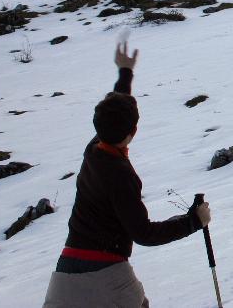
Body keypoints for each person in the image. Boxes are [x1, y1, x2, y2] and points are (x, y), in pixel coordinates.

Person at [43, 43, 212, 308]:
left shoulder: (94, 149)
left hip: (65, 269)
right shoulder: (120, 175)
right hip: (106, 271)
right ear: (133, 130)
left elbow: (114, 113)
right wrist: (193, 222)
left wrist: (125, 73)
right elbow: (143, 233)